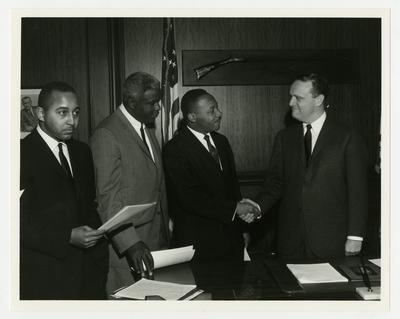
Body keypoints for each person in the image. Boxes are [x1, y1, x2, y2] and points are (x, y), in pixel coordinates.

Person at [252, 73, 368, 260]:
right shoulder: (284, 138)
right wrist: (256, 206)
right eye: (291, 96)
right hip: (290, 242)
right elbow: (275, 184)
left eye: (298, 98)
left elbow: (358, 191)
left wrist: (355, 236)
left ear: (318, 100)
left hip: (332, 242)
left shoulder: (347, 137)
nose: (290, 103)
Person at [20, 81, 108, 299]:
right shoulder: (19, 154)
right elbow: (14, 221)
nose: (72, 121)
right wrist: (66, 237)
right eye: (62, 112)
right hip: (45, 277)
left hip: (88, 275)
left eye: (75, 113)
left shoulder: (82, 152)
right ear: (40, 113)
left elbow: (88, 205)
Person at [90, 72, 170, 295]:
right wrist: (130, 243)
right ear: (131, 102)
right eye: (152, 103)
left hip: (156, 240)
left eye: (159, 101)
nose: (158, 108)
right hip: (129, 248)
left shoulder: (146, 128)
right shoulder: (107, 134)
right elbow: (107, 199)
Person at [163, 89, 260, 262]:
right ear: (192, 117)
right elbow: (189, 198)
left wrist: (242, 229)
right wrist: (234, 209)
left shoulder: (221, 142)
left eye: (217, 108)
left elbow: (232, 188)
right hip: (199, 244)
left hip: (231, 239)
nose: (219, 114)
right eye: (211, 111)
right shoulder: (175, 149)